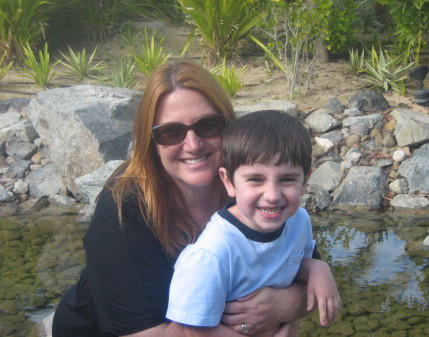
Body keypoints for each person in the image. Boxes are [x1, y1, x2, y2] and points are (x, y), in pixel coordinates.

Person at [52, 59, 332, 337]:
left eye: (208, 125)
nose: (193, 144)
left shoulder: (256, 188)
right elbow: (145, 332)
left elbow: (300, 268)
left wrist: (284, 306)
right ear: (151, 142)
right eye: (171, 132)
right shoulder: (124, 207)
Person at [166, 110, 341, 337]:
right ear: (229, 181)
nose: (272, 195)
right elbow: (193, 330)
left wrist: (318, 269)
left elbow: (289, 263)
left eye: (287, 179)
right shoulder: (213, 253)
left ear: (305, 181)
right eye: (256, 180)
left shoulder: (299, 221)